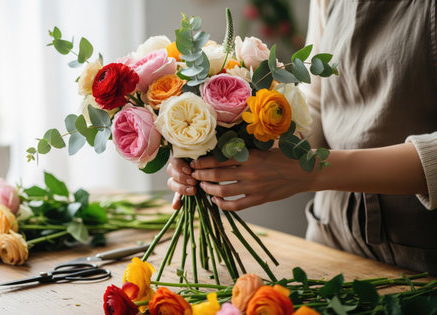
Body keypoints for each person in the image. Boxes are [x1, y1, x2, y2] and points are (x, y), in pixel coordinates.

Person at [166, 0, 437, 274]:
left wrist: (311, 171)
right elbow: (317, 102)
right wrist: (224, 147)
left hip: (419, 256)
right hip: (330, 240)